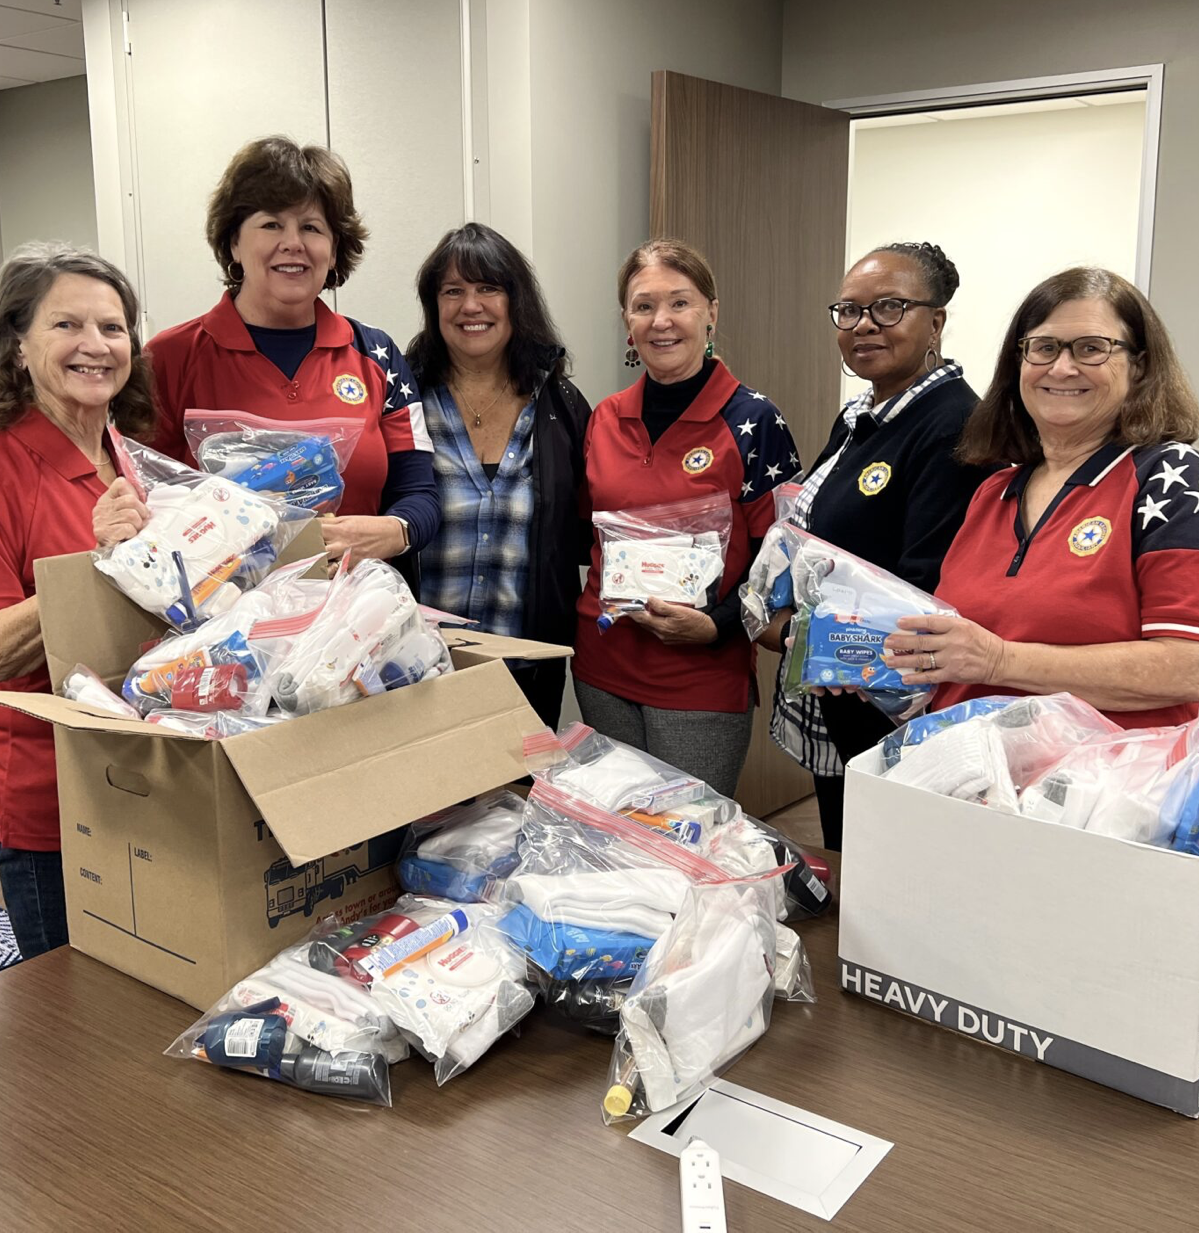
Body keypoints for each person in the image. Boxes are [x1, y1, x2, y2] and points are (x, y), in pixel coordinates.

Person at [884, 266, 1199, 745]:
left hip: (1114, 800)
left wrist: (1000, 659)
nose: (1061, 368)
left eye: (1091, 348)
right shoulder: (995, 491)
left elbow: (1189, 668)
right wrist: (880, 658)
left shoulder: (1177, 482)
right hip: (983, 784)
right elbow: (962, 655)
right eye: (1043, 348)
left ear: (1140, 366)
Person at [0, 244, 154, 958]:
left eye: (113, 329)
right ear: (17, 347)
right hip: (55, 795)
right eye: (67, 326)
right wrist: (99, 558)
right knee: (68, 1017)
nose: (95, 346)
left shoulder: (135, 460)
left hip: (154, 777)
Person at [99, 136, 437, 571]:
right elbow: (137, 500)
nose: (293, 242)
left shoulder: (377, 354)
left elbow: (421, 497)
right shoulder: (168, 358)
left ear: (333, 251)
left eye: (312, 227)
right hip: (223, 625)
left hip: (362, 616)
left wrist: (391, 533)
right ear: (234, 244)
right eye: (271, 224)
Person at [761, 242, 993, 850]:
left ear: (935, 321)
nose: (863, 325)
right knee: (850, 872)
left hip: (887, 710)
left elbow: (926, 586)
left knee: (886, 879)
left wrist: (803, 635)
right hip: (840, 695)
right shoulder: (864, 415)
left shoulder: (953, 428)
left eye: (889, 308)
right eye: (849, 310)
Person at [572, 239, 798, 797]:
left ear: (711, 313)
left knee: (689, 849)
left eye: (680, 303)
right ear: (627, 322)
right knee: (615, 838)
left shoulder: (754, 420)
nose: (662, 321)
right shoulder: (604, 417)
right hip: (603, 668)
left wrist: (717, 624)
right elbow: (589, 537)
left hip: (701, 675)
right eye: (644, 305)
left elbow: (783, 561)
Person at [406, 223, 590, 728]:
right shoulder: (403, 401)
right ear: (434, 305)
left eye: (489, 288)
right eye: (453, 291)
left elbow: (585, 532)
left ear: (516, 301)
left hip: (526, 668)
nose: (471, 306)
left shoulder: (561, 406)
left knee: (518, 804)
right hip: (415, 671)